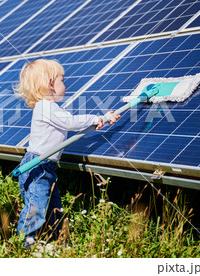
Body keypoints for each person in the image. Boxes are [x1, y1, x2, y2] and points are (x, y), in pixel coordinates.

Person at [14, 59, 120, 247]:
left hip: (46, 167)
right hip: (37, 165)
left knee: (53, 206)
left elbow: (71, 124)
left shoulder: (50, 108)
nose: (65, 85)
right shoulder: (45, 107)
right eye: (62, 80)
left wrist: (101, 119)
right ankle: (25, 243)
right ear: (49, 84)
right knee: (37, 206)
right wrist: (96, 118)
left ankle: (55, 241)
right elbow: (70, 123)